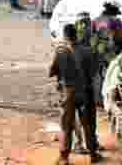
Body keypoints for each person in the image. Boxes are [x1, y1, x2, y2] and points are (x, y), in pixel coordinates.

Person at [50, 24, 101, 164]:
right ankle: (93, 154)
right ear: (76, 35)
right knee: (88, 124)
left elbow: (51, 72)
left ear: (65, 37)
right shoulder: (88, 51)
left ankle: (64, 157)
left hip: (68, 94)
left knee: (67, 125)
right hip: (85, 92)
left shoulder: (60, 52)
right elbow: (95, 71)